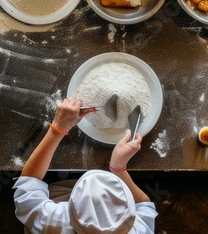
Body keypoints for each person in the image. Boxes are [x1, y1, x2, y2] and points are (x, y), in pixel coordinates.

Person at [13, 97, 157, 233]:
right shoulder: (137, 231)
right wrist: (118, 168)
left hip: (59, 190)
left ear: (71, 214)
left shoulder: (52, 223)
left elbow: (28, 183)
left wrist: (57, 128)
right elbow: (145, 205)